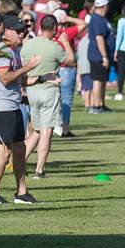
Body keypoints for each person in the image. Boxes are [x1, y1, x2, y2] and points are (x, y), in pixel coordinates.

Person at [0, 16, 42, 206]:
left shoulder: (13, 52)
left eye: (23, 30)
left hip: (13, 106)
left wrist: (41, 78)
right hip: (2, 108)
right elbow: (6, 78)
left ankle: (21, 192)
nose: (21, 33)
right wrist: (28, 66)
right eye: (18, 30)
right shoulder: (1, 52)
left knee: (20, 148)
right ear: (6, 31)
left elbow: (20, 80)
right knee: (5, 151)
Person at [22, 14, 72, 178]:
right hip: (49, 91)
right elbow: (71, 61)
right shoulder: (55, 47)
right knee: (46, 131)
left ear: (40, 27)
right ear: (55, 28)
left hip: (31, 91)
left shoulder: (27, 45)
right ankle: (39, 170)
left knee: (36, 131)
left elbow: (23, 66)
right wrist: (65, 41)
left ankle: (19, 162)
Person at [53, 8, 84, 136]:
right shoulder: (66, 32)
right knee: (66, 99)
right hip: (66, 68)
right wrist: (69, 18)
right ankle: (64, 129)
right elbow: (83, 23)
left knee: (54, 99)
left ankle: (55, 127)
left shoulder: (49, 34)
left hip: (53, 68)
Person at [86, 0, 115, 113]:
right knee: (98, 80)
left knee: (102, 80)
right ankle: (96, 106)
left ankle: (101, 104)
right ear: (104, 6)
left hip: (102, 55)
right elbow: (99, 39)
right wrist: (104, 56)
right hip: (97, 55)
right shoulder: (97, 19)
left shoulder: (102, 18)